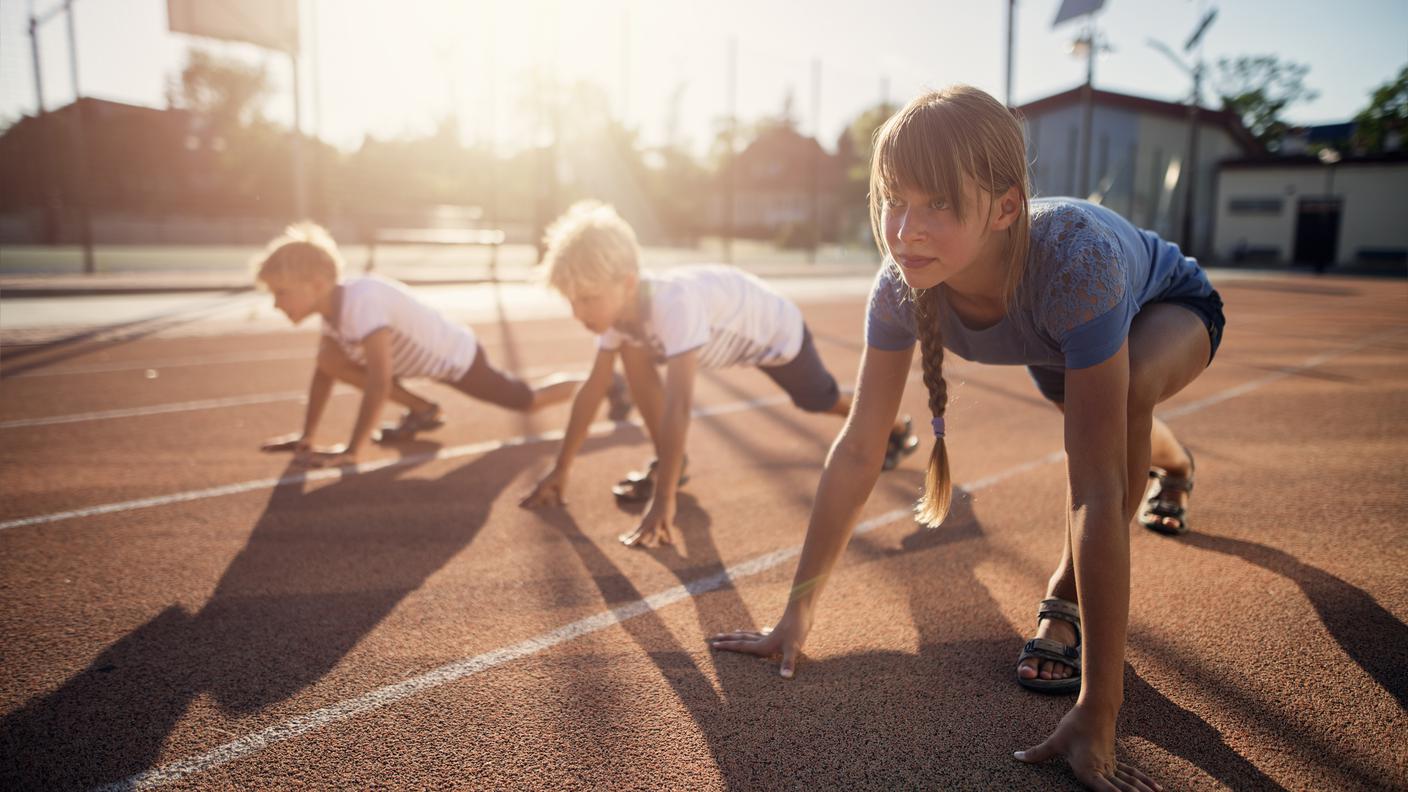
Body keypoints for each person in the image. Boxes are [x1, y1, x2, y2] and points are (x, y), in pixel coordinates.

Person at [708, 85, 1223, 792]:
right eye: (895, 200)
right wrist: (794, 614)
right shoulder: (899, 288)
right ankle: (1176, 463)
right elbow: (860, 448)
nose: (907, 229)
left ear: (1007, 206)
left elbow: (1096, 491)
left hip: (1171, 307)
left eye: (940, 204)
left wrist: (1099, 710)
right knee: (1107, 416)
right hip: (1059, 348)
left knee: (1123, 408)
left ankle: (1064, 597)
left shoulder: (1078, 265)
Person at [519, 201, 919, 547]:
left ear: (627, 283)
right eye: (572, 301)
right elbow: (593, 388)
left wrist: (663, 499)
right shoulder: (619, 315)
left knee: (818, 400)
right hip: (729, 329)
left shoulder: (673, 305)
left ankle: (893, 427)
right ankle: (670, 463)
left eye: (587, 299)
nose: (579, 313)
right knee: (631, 353)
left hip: (775, 334)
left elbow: (679, 406)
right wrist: (561, 468)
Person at [253, 222, 610, 467]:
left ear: (317, 284)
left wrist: (351, 450)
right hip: (417, 364)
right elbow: (324, 374)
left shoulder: (362, 302)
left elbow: (379, 381)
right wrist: (306, 436)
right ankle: (423, 410)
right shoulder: (332, 311)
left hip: (457, 358)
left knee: (527, 402)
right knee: (328, 358)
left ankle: (606, 384)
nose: (276, 303)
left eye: (281, 292)